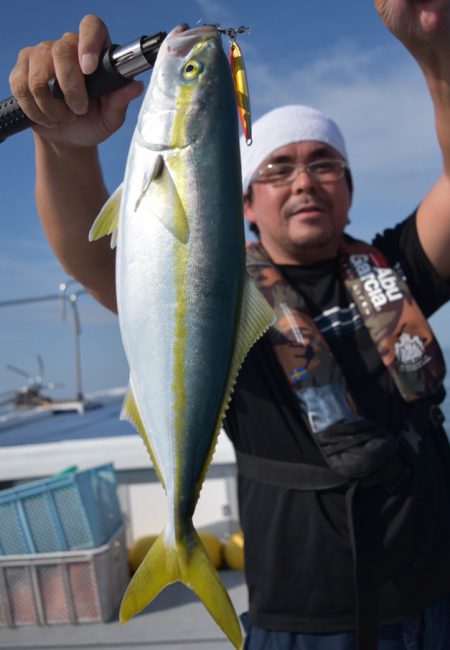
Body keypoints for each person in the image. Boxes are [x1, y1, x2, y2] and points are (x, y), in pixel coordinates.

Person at [8, 2, 450, 649]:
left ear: (349, 188)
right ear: (243, 200)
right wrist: (63, 144)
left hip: (439, 600)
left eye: (324, 163)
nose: (304, 181)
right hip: (300, 622)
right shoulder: (214, 288)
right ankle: (178, 542)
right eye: (277, 168)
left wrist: (433, 50)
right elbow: (99, 258)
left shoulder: (394, 266)